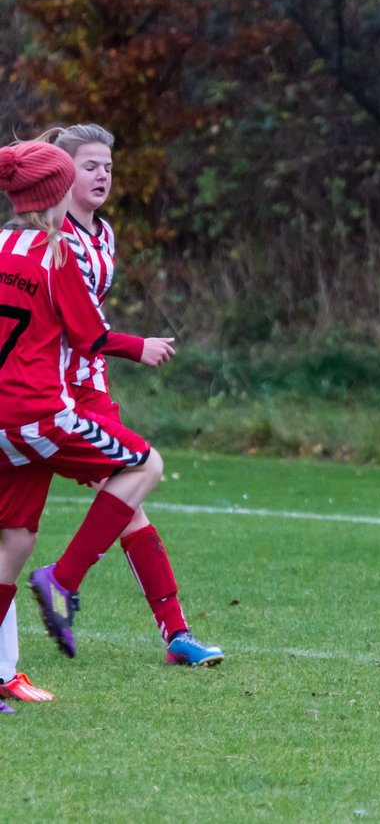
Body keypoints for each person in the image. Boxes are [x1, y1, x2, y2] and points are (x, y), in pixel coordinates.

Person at [19, 124, 223, 668]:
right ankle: (64, 583)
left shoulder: (101, 233)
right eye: (89, 166)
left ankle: (174, 634)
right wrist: (139, 346)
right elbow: (78, 328)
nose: (102, 174)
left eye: (107, 166)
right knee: (134, 487)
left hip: (90, 389)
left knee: (129, 501)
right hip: (55, 393)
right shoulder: (50, 235)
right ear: (61, 175)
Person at [0, 140, 165, 712]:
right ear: (55, 191)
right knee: (145, 465)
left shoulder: (0, 244)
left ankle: (2, 673)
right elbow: (89, 335)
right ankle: (63, 580)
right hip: (39, 414)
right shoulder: (57, 253)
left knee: (14, 539)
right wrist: (139, 346)